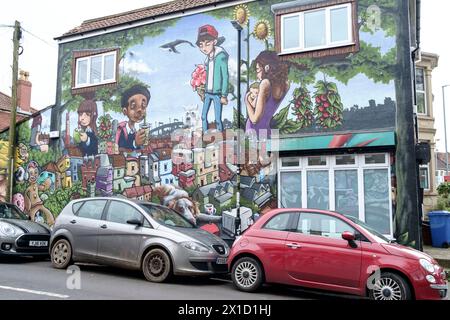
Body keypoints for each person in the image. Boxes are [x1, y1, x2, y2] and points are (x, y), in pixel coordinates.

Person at [245, 51, 290, 138]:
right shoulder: (286, 84)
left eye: (258, 70)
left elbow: (254, 119)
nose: (257, 75)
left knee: (255, 152)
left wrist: (246, 101)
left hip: (253, 130)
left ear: (267, 67)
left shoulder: (265, 84)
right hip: (266, 130)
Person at [196, 24, 229, 132]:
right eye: (201, 45)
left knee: (217, 119)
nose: (204, 48)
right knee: (203, 116)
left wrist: (224, 95)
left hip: (217, 94)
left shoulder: (221, 57)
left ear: (214, 42)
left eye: (207, 44)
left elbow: (225, 76)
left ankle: (220, 138)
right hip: (207, 93)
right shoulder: (208, 59)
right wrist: (202, 90)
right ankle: (205, 136)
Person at [116, 84, 151, 152]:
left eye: (143, 106)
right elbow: (120, 149)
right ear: (125, 111)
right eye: (133, 106)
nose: (139, 110)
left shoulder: (136, 130)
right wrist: (135, 143)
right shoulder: (121, 129)